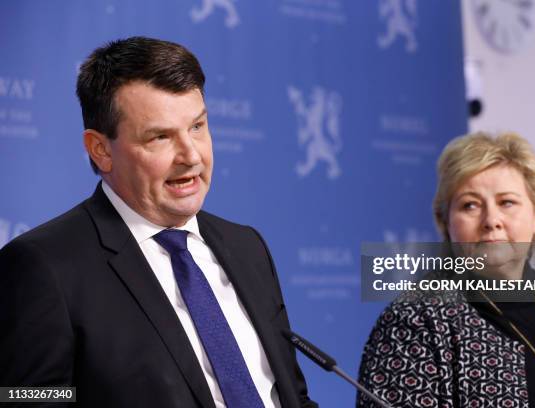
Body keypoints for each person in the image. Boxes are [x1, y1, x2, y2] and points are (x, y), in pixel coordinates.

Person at [0, 36, 317, 408]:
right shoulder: (45, 267)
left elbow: (292, 397)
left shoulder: (247, 247)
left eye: (197, 127)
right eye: (160, 137)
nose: (191, 155)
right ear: (100, 149)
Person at [357, 132, 535, 407]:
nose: (492, 220)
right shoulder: (414, 319)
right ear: (446, 223)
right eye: (470, 205)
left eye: (507, 202)